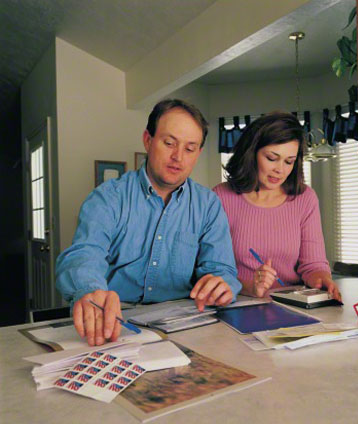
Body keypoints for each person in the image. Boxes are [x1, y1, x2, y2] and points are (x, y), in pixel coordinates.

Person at [56, 99, 241, 346]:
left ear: (198, 153)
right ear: (147, 140)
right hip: (114, 322)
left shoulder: (208, 204)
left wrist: (221, 284)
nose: (178, 157)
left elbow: (222, 271)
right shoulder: (108, 197)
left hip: (184, 324)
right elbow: (85, 253)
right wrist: (89, 289)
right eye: (169, 143)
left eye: (190, 148)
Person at [213, 111, 341, 301]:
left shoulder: (305, 199)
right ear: (251, 152)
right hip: (238, 303)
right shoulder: (221, 197)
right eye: (272, 158)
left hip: (292, 305)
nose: (280, 170)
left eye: (289, 161)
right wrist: (250, 287)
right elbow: (212, 269)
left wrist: (322, 280)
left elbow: (313, 265)